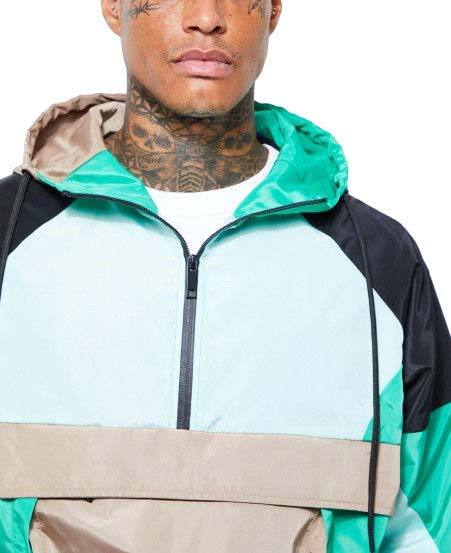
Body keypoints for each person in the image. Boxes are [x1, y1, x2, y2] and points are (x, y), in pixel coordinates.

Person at [0, 1, 449, 552]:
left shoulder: (379, 259)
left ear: (274, 9)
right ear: (114, 6)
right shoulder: (8, 236)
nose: (207, 17)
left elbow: (428, 522)